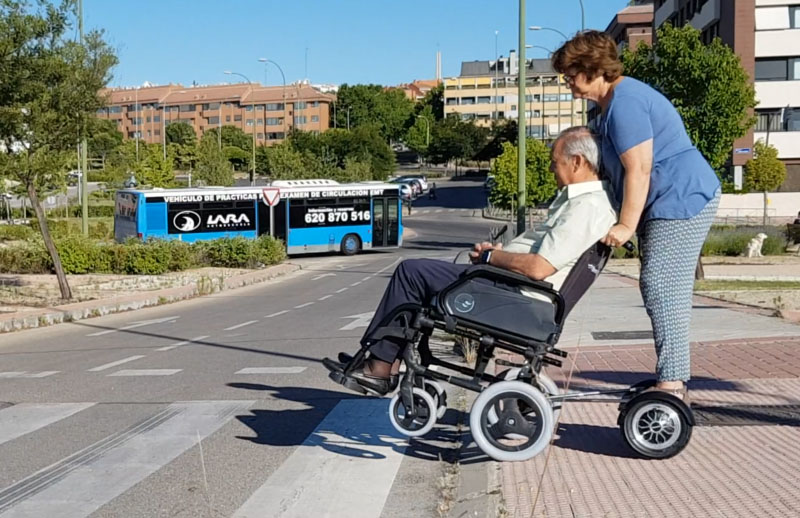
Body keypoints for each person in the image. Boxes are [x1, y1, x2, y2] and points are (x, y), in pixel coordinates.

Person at [324, 127, 618, 395]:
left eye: (556, 162)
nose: (552, 169)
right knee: (419, 278)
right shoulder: (580, 202)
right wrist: (498, 254)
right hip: (513, 290)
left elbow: (540, 267)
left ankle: (379, 367)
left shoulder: (587, 207)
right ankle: (384, 361)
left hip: (518, 298)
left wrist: (492, 257)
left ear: (577, 162)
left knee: (410, 272)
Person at [552, 31, 721, 403]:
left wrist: (626, 226)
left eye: (569, 72)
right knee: (661, 286)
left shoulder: (625, 102)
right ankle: (672, 378)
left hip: (682, 197)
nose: (566, 80)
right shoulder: (612, 104)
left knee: (661, 285)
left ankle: (673, 384)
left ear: (591, 68)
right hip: (669, 200)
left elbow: (639, 169)